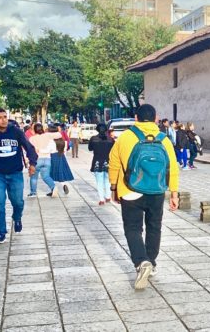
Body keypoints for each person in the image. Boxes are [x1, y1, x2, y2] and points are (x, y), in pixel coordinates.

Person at [108, 104, 180, 290]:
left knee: (133, 228)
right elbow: (172, 168)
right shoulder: (163, 139)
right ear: (155, 118)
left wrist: (114, 188)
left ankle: (141, 262)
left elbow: (114, 163)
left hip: (130, 189)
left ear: (136, 118)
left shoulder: (125, 138)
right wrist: (174, 193)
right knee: (154, 227)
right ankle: (152, 262)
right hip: (156, 190)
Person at [0, 108, 38, 244]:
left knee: (18, 202)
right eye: (0, 118)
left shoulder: (16, 132)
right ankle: (1, 233)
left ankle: (17, 217)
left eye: (5, 117)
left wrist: (32, 163)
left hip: (15, 173)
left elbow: (29, 147)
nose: (3, 120)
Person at [29, 123, 62, 197]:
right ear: (42, 129)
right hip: (47, 159)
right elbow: (59, 135)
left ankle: (33, 193)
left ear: (34, 130)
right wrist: (59, 129)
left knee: (34, 177)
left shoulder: (32, 138)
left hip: (37, 159)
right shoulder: (48, 135)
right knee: (46, 176)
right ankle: (53, 187)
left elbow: (29, 150)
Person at [88, 123, 114, 205]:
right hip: (108, 162)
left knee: (99, 181)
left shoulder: (93, 139)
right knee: (107, 180)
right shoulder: (111, 140)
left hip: (97, 162)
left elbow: (90, 148)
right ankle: (108, 197)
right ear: (106, 130)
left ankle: (101, 199)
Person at [49, 128, 74, 195]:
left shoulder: (51, 141)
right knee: (60, 171)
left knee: (51, 173)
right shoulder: (61, 140)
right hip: (61, 156)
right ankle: (64, 184)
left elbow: (49, 150)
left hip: (53, 156)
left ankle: (53, 189)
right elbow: (65, 149)